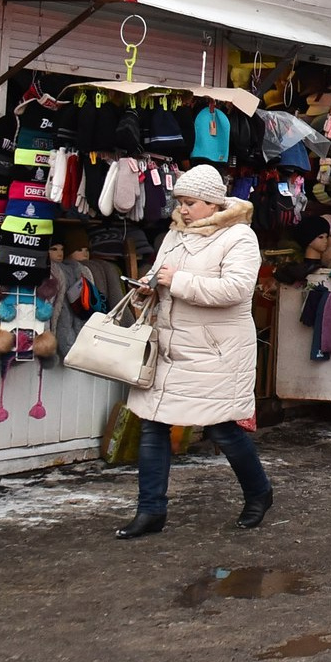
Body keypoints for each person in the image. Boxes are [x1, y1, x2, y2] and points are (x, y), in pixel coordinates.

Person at [116, 165, 273, 539]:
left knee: (222, 428)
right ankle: (150, 510)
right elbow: (161, 275)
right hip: (170, 345)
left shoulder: (239, 238)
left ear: (213, 202)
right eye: (180, 202)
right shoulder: (175, 234)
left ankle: (259, 493)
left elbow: (236, 290)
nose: (183, 210)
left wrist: (179, 281)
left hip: (215, 351)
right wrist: (148, 286)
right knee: (153, 423)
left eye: (191, 203)